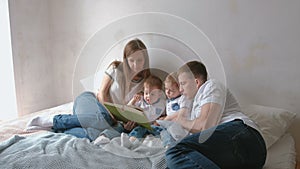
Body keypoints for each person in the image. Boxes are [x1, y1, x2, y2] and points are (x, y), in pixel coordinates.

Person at [165, 61, 267, 169]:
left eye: (182, 83)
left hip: (244, 137)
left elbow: (205, 126)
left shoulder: (211, 85)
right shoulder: (195, 105)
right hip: (236, 157)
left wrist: (180, 120)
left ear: (196, 82)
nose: (180, 90)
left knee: (177, 151)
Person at [52, 38, 151, 142]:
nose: (135, 65)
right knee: (104, 119)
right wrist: (111, 116)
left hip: (111, 119)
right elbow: (102, 93)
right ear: (126, 59)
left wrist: (129, 122)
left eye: (139, 60)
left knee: (100, 135)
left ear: (145, 60)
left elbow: (141, 108)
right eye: (131, 60)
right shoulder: (116, 68)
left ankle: (65, 131)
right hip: (91, 101)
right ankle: (57, 121)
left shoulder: (147, 82)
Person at [127, 75, 166, 142]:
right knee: (137, 130)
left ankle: (164, 142)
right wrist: (133, 100)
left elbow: (165, 116)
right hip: (142, 125)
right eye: (146, 93)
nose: (148, 96)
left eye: (152, 94)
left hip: (154, 126)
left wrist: (160, 120)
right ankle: (132, 139)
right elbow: (127, 108)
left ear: (159, 94)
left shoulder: (162, 103)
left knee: (163, 132)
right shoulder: (141, 100)